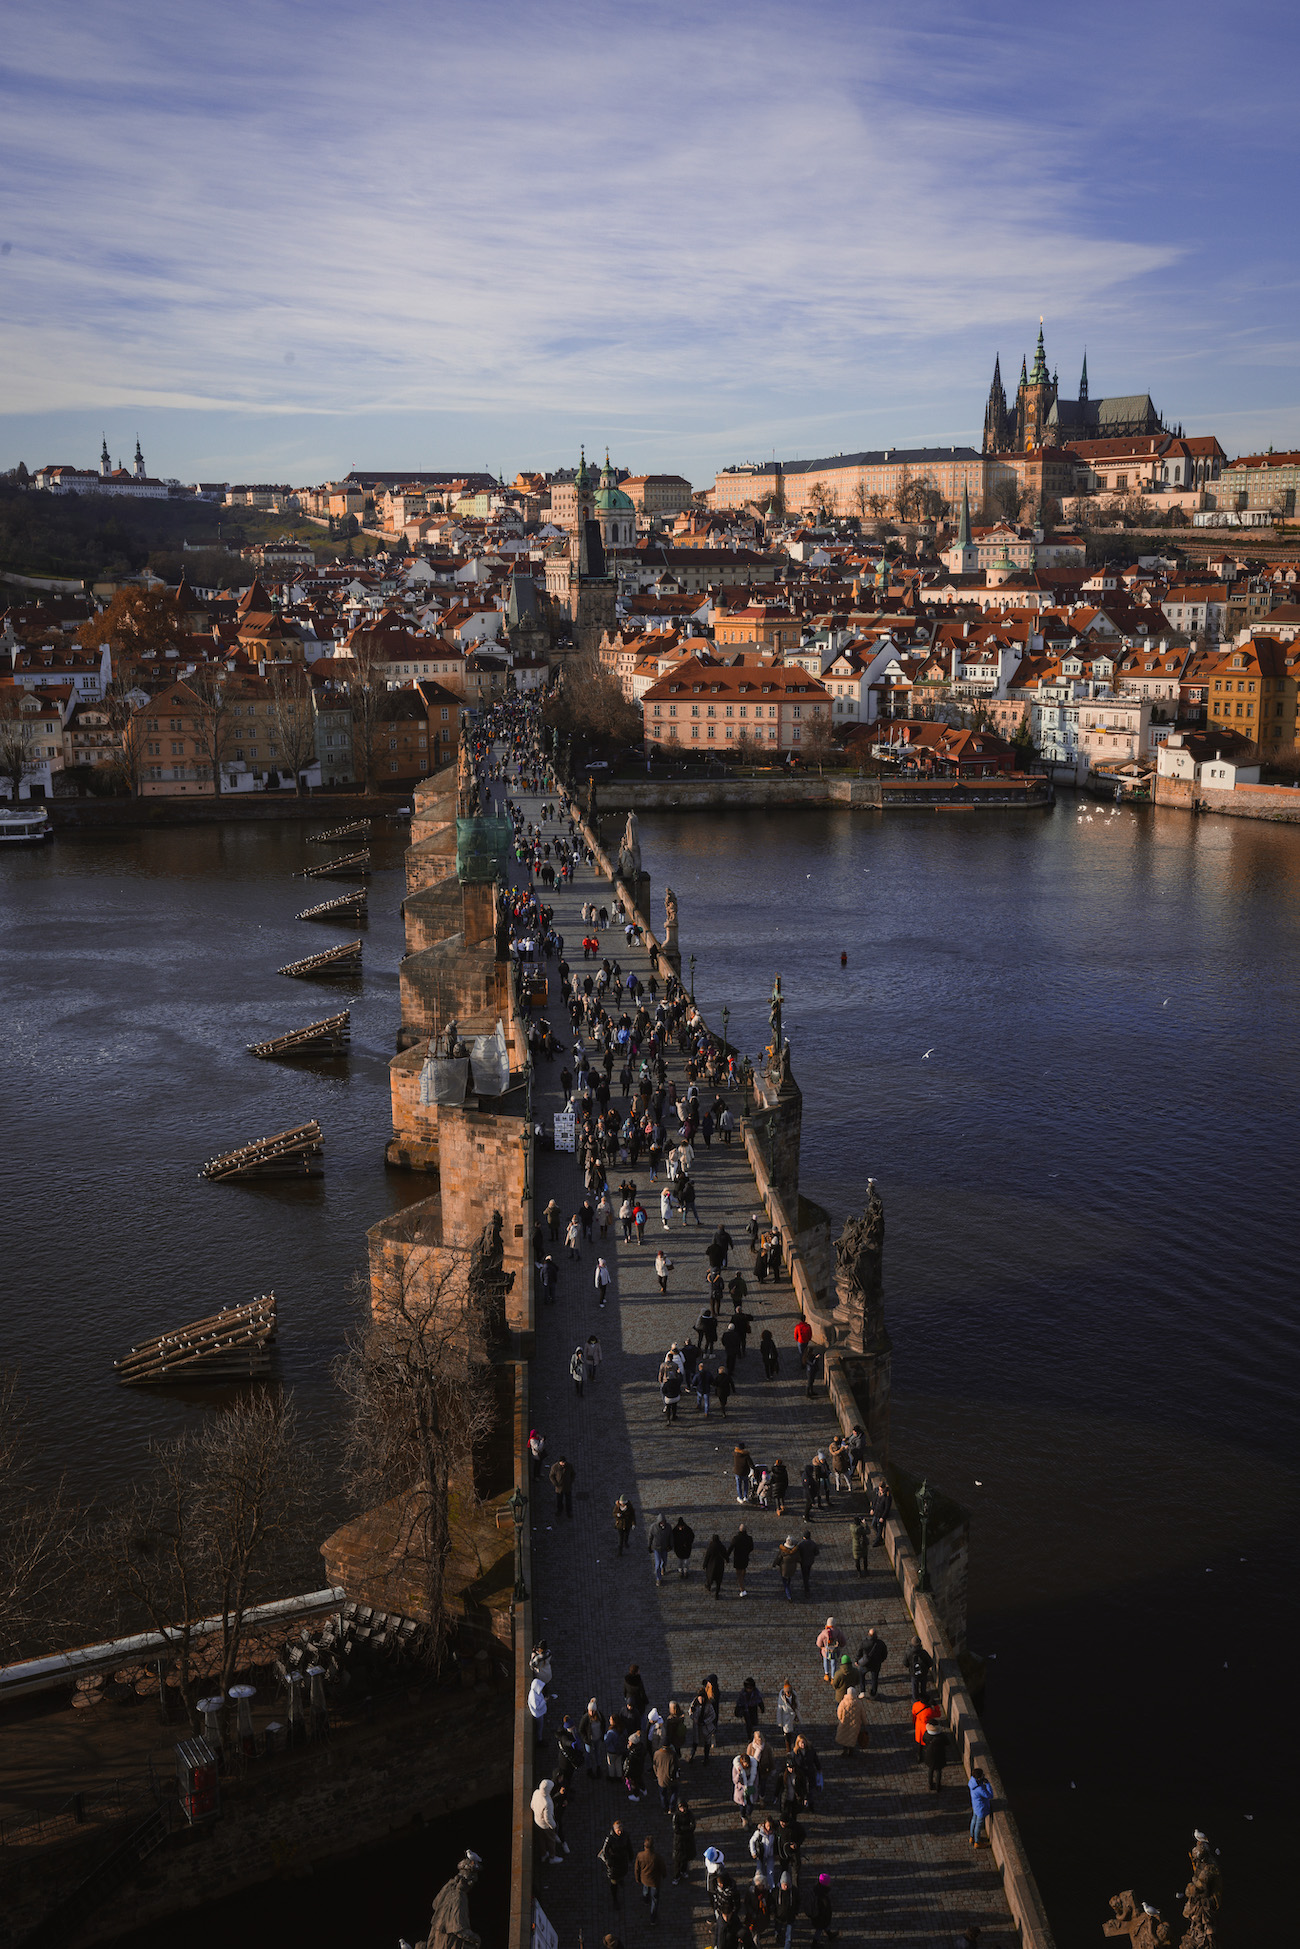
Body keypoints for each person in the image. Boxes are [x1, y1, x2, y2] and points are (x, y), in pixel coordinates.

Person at [598, 1820, 633, 1908]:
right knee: (614, 1883)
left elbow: (629, 1846)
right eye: (618, 1830)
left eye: (621, 1829)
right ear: (615, 1830)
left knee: (622, 1874)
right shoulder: (609, 1839)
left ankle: (620, 1880)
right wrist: (608, 1861)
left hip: (622, 1861)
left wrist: (631, 1855)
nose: (620, 1832)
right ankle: (615, 1899)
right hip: (614, 1864)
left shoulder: (625, 1835)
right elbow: (605, 1851)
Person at [531, 1777, 565, 1864]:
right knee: (551, 1840)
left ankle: (543, 1854)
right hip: (545, 1825)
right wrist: (553, 1827)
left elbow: (532, 1805)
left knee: (541, 1839)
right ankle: (552, 1857)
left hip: (537, 1821)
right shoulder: (547, 1802)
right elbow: (548, 1819)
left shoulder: (536, 1792)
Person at [635, 1834, 668, 1922]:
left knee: (645, 1890)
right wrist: (664, 1875)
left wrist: (637, 1878)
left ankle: (646, 1900)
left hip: (644, 1879)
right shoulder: (657, 1857)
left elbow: (637, 1868)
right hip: (654, 1881)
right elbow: (662, 1868)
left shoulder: (640, 1855)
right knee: (655, 1900)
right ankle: (653, 1918)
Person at [835, 1686, 868, 1760]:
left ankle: (845, 1750)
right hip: (855, 1724)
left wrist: (841, 1719)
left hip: (844, 1724)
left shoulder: (843, 1702)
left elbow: (839, 1713)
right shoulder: (858, 1703)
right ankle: (851, 1751)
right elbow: (863, 1714)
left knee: (845, 1737)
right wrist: (865, 1723)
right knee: (852, 1737)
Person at [806, 1872, 838, 1945]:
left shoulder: (816, 1890)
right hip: (820, 1918)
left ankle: (830, 1934)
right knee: (819, 1929)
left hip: (817, 1917)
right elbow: (826, 1910)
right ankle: (814, 1943)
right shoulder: (823, 1896)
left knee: (824, 1926)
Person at [671, 1798, 696, 1883]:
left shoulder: (690, 1814)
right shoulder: (676, 1816)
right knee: (678, 1860)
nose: (683, 1809)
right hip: (679, 1842)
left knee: (686, 1858)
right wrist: (686, 1829)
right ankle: (676, 1876)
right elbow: (676, 1829)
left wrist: (684, 1829)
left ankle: (683, 1871)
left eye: (683, 1807)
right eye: (681, 1807)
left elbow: (693, 1826)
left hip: (688, 1840)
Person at [858, 1628, 888, 1699]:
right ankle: (873, 1693)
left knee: (861, 1675)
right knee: (874, 1679)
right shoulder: (881, 1644)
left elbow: (859, 1652)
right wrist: (880, 1660)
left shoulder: (864, 1643)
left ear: (869, 1635)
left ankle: (862, 1691)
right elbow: (884, 1654)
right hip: (876, 1664)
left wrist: (857, 1660)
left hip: (866, 1664)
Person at [923, 1712, 949, 1792]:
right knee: (938, 1771)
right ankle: (938, 1786)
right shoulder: (941, 1736)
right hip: (939, 1755)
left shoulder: (926, 1735)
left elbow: (924, 1741)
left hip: (929, 1754)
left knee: (930, 1770)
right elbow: (947, 1743)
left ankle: (930, 1785)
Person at [968, 1767, 993, 1847]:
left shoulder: (972, 1781)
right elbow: (990, 1795)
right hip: (981, 1809)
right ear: (979, 1777)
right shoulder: (979, 1789)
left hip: (975, 1805)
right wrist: (988, 1784)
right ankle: (977, 1842)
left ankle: (971, 1837)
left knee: (973, 1821)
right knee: (978, 1826)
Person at [653, 1737, 679, 1811]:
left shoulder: (657, 1753)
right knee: (674, 1792)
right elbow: (677, 1765)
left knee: (663, 1794)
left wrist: (657, 1774)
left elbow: (654, 1765)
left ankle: (665, 1808)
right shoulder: (672, 1754)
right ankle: (672, 1807)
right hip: (672, 1778)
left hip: (661, 1778)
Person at [728, 1522, 754, 1597]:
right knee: (744, 1568)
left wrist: (727, 1556)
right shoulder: (749, 1538)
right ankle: (742, 1578)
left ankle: (742, 1589)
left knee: (738, 1573)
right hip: (745, 1557)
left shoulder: (736, 1538)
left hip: (738, 1558)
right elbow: (751, 1548)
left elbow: (731, 1548)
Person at [775, 1680, 800, 1753]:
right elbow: (779, 1711)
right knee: (787, 1735)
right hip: (786, 1719)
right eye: (787, 1692)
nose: (788, 1693)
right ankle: (788, 1748)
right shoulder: (782, 1700)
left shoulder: (794, 1696)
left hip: (794, 1717)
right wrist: (780, 1722)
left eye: (789, 1692)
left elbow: (798, 1705)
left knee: (794, 1732)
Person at [702, 1532, 728, 1601]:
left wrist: (704, 1565)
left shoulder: (711, 1547)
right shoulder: (721, 1546)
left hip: (711, 1565)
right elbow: (725, 1554)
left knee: (710, 1576)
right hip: (719, 1565)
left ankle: (709, 1586)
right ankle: (716, 1594)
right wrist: (727, 1560)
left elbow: (707, 1556)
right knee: (718, 1581)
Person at [648, 1513, 673, 1584]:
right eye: (661, 1522)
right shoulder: (653, 1527)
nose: (662, 1523)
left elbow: (671, 1536)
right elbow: (650, 1537)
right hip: (657, 1548)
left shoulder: (668, 1527)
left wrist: (671, 1545)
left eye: (663, 1522)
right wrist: (649, 1546)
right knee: (657, 1563)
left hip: (665, 1548)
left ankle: (663, 1568)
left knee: (664, 1561)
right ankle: (658, 1578)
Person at [773, 1535, 799, 1600]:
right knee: (789, 1579)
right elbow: (799, 1559)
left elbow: (778, 1559)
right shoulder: (795, 1552)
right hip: (792, 1569)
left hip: (784, 1569)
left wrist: (775, 1564)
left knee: (785, 1582)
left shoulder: (782, 1551)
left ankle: (789, 1595)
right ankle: (788, 1586)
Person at [909, 1636, 933, 1703]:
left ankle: (915, 1699)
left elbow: (905, 1662)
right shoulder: (924, 1653)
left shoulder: (909, 1653)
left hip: (914, 1674)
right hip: (923, 1673)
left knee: (914, 1686)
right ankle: (923, 1696)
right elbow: (930, 1663)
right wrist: (926, 1668)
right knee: (923, 1685)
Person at [796, 1530, 820, 1597]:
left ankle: (806, 1588)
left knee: (804, 1574)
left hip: (803, 1561)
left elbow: (797, 1552)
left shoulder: (801, 1544)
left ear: (804, 1537)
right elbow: (817, 1552)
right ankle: (806, 1582)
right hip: (810, 1561)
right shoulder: (813, 1544)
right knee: (808, 1572)